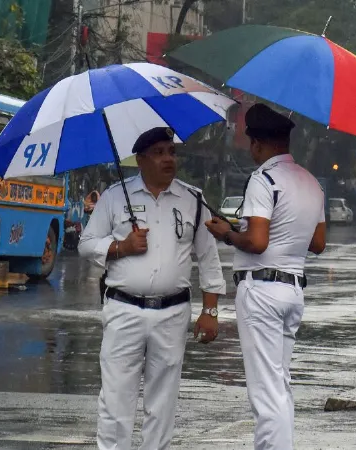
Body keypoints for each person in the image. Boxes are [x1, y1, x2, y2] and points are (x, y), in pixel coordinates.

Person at [78, 127, 226, 450]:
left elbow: (208, 257)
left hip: (172, 312)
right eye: (158, 153)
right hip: (124, 309)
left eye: (171, 152)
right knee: (116, 399)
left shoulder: (193, 199)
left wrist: (210, 310)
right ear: (141, 160)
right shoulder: (115, 196)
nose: (168, 159)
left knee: (162, 403)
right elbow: (86, 244)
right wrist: (122, 247)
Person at [205, 103, 326, 450]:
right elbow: (318, 243)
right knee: (279, 385)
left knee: (265, 390)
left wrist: (228, 233)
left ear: (257, 144)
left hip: (262, 292)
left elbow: (257, 242)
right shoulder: (312, 182)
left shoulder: (264, 179)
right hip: (293, 291)